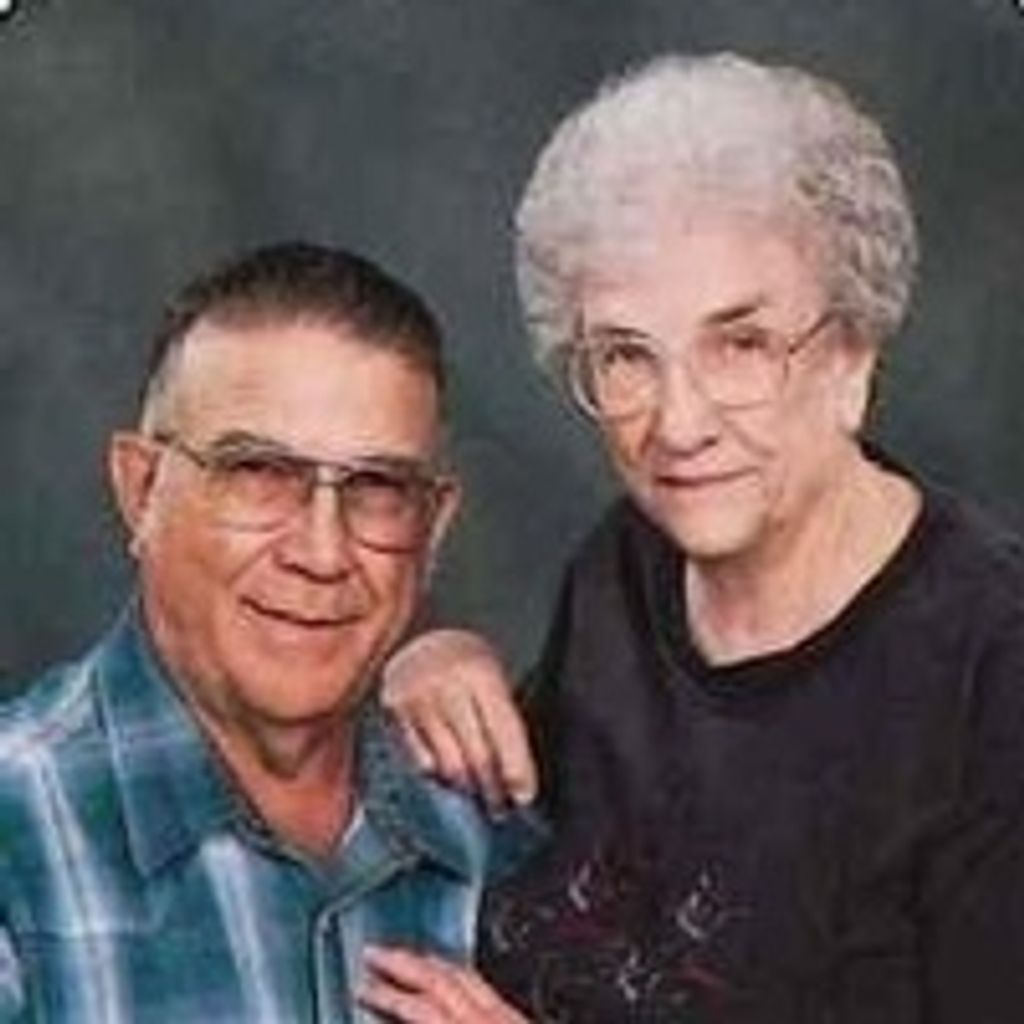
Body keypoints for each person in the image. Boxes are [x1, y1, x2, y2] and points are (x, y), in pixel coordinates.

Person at [371, 53, 1024, 1022]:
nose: (678, 425)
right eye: (626, 355)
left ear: (851, 359)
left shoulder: (992, 670)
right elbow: (521, 853)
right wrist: (436, 660)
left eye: (741, 345)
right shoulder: (624, 567)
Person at [0, 242, 537, 1022]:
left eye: (377, 487)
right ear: (141, 488)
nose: (321, 553)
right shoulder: (17, 834)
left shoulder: (495, 831)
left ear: (434, 526)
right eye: (257, 473)